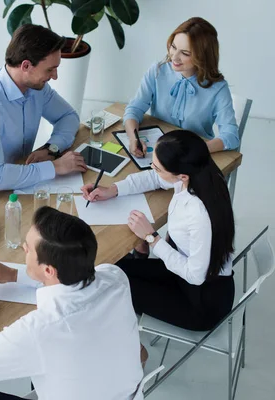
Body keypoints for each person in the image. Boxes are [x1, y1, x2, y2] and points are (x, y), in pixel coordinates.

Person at [0, 207, 143, 400]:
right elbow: (69, 282)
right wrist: (13, 274)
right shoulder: (115, 276)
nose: (23, 248)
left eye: (27, 249)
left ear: (48, 271)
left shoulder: (40, 329)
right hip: (122, 391)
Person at [81, 130, 235, 340]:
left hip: (202, 300)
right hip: (185, 272)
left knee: (109, 285)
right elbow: (154, 178)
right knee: (112, 269)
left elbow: (195, 275)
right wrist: (113, 190)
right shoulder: (200, 174)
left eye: (158, 167)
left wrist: (152, 238)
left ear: (181, 175)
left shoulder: (199, 212)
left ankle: (109, 344)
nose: (153, 170)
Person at [0, 24, 87, 192]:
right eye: (50, 69)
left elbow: (69, 116)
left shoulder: (36, 88)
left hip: (18, 177)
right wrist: (55, 167)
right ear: (26, 66)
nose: (55, 76)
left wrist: (51, 149)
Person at [123, 17, 239, 156]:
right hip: (158, 154)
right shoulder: (157, 71)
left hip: (194, 158)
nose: (174, 57)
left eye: (185, 53)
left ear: (203, 56)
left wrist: (197, 150)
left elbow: (231, 136)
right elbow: (134, 109)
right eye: (173, 47)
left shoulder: (218, 88)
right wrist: (133, 138)